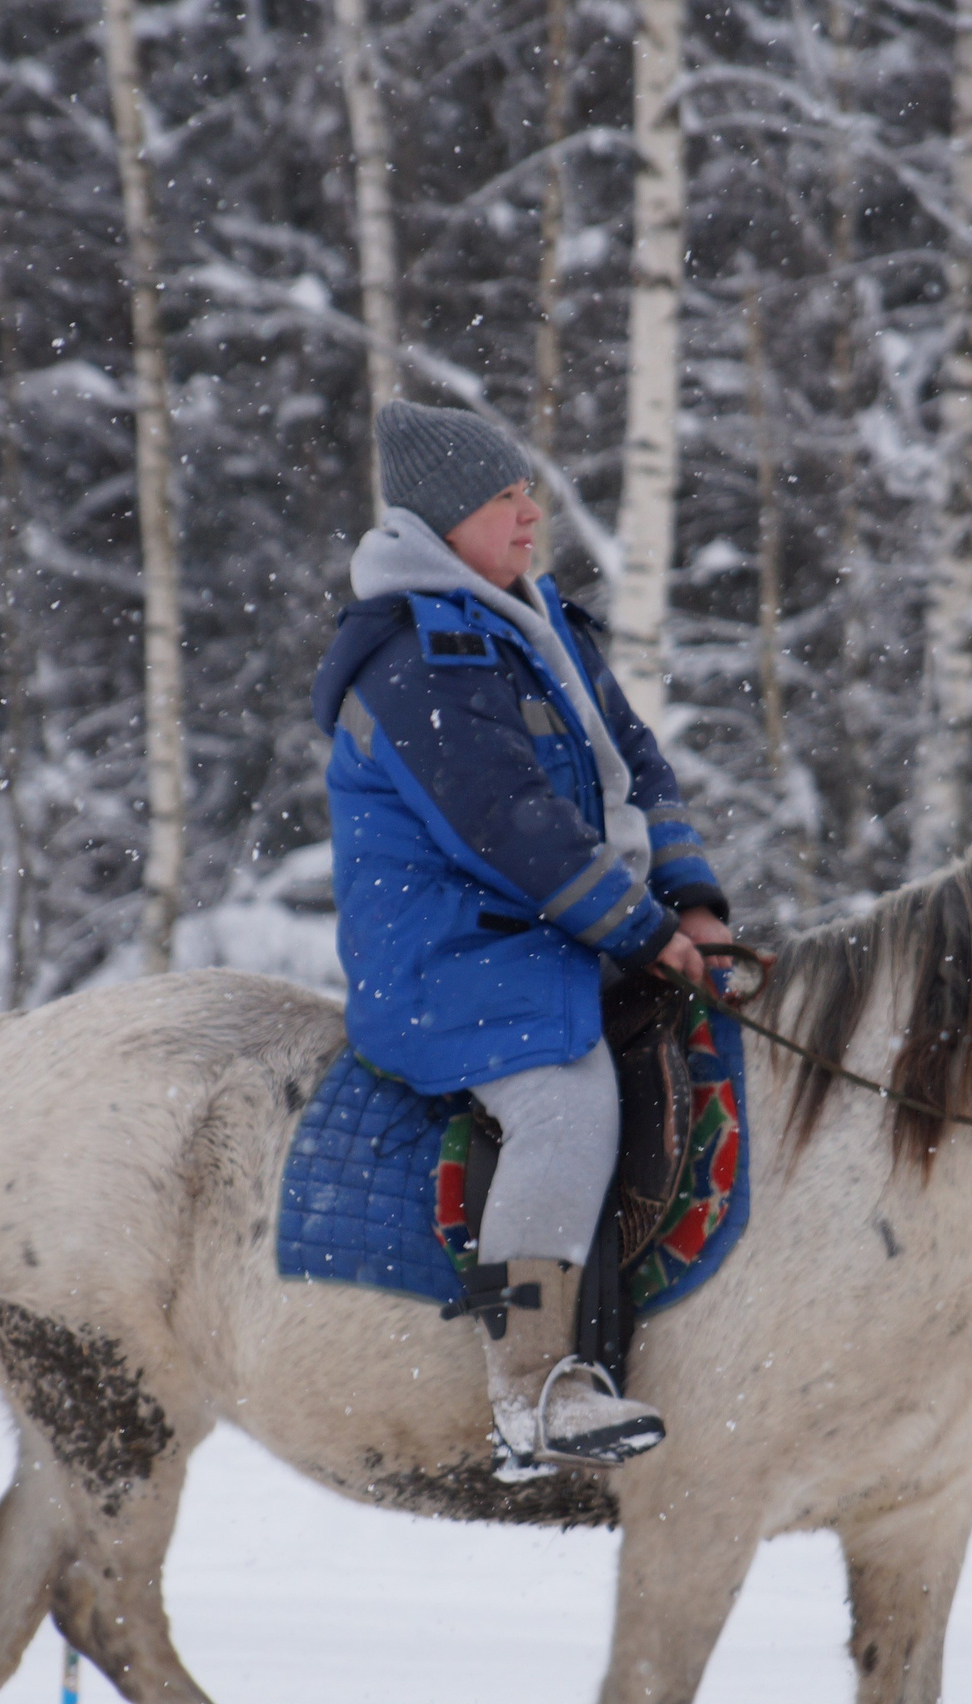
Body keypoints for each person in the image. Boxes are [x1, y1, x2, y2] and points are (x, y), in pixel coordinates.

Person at [310, 399, 732, 1475]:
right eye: (506, 497)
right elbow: (511, 828)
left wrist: (692, 902)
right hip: (453, 963)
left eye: (527, 491)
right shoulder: (417, 658)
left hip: (554, 941)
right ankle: (534, 1389)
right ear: (445, 520)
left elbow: (639, 764)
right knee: (567, 1101)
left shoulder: (533, 618)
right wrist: (638, 934)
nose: (532, 513)